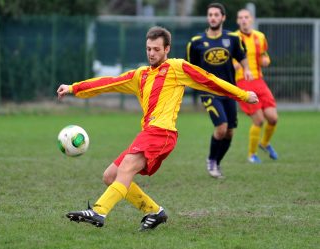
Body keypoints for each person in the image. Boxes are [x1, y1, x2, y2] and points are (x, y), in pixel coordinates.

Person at [57, 26, 258, 231]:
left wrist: (242, 94)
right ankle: (154, 211)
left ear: (167, 49)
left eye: (156, 49)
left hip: (163, 132)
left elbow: (209, 80)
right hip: (148, 133)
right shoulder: (140, 75)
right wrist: (74, 87)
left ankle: (99, 211)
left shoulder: (177, 68)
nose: (151, 53)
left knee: (126, 167)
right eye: (148, 49)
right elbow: (108, 83)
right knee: (110, 176)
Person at [186, 3, 253, 178]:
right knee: (221, 127)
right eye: (210, 15)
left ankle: (216, 162)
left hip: (229, 90)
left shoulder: (232, 38)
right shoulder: (196, 42)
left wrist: (246, 69)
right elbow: (189, 67)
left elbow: (242, 55)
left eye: (216, 14)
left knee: (230, 132)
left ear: (223, 17)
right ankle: (211, 160)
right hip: (209, 92)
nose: (213, 17)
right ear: (208, 18)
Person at [234, 8, 278, 163]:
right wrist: (234, 65)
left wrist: (266, 60)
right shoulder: (233, 39)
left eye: (246, 17)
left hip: (259, 81)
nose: (244, 20)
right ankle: (252, 154)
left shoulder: (260, 37)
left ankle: (264, 143)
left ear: (251, 19)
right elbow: (228, 59)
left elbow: (264, 55)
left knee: (273, 118)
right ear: (237, 21)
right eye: (241, 18)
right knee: (258, 120)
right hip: (242, 83)